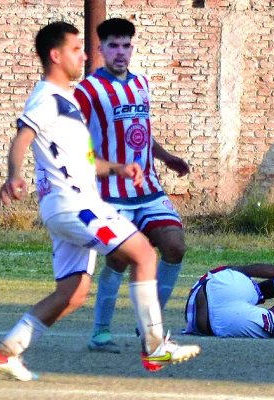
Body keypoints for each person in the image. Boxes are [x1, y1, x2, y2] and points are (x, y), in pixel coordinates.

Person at [0, 21, 200, 381]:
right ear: (56, 55)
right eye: (75, 49)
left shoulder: (66, 99)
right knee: (144, 253)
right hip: (74, 203)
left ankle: (6, 352)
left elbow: (82, 159)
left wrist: (116, 168)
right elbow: (23, 135)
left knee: (73, 292)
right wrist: (13, 175)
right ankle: (155, 346)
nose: (84, 55)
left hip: (65, 204)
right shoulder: (48, 97)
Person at [73, 18, 191, 354]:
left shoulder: (141, 83)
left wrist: (166, 158)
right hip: (111, 195)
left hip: (149, 190)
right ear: (100, 49)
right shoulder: (88, 91)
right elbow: (73, 137)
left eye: (126, 45)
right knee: (120, 260)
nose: (121, 52)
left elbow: (141, 132)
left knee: (175, 247)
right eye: (113, 46)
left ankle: (148, 324)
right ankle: (100, 333)